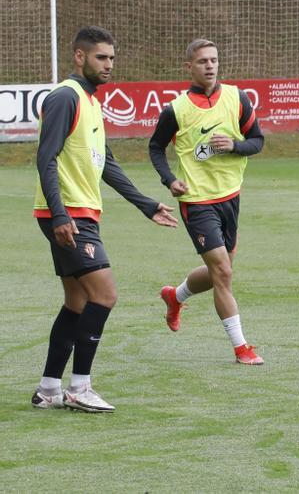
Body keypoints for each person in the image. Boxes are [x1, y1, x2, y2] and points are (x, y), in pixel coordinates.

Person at [31, 26, 179, 412]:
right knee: (105, 295)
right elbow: (45, 159)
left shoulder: (91, 102)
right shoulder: (65, 97)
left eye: (112, 58)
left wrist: (145, 204)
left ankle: (49, 388)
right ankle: (79, 387)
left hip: (78, 212)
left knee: (78, 301)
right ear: (80, 57)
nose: (109, 64)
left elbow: (106, 163)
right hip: (68, 214)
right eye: (101, 57)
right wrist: (61, 214)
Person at [150, 38, 266, 365]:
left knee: (220, 270)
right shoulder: (176, 109)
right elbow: (155, 148)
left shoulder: (236, 97)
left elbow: (257, 141)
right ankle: (242, 347)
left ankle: (176, 296)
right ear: (189, 67)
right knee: (224, 273)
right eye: (203, 61)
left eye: (214, 60)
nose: (210, 66)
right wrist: (169, 179)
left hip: (231, 196)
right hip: (197, 201)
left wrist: (234, 145)